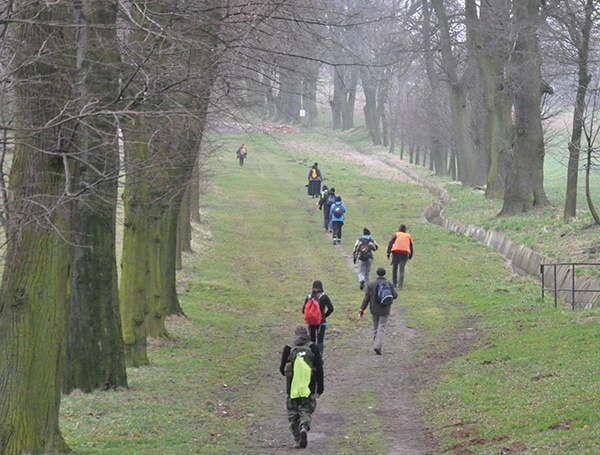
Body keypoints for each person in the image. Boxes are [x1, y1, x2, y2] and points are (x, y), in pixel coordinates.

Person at [279, 324, 324, 449]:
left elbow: (282, 369)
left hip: (292, 388)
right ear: (307, 334)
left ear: (295, 334)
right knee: (306, 410)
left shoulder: (288, 348)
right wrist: (320, 388)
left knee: (293, 413)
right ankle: (304, 426)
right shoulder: (313, 347)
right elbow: (319, 368)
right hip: (308, 387)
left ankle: (298, 439)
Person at [358, 267, 398, 355]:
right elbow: (395, 296)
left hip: (374, 309)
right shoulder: (389, 283)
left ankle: (376, 343)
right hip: (385, 309)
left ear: (377, 274)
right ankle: (378, 346)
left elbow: (366, 299)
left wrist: (362, 309)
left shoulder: (371, 284)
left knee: (376, 327)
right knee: (382, 327)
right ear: (384, 274)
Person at [302, 280, 334, 354]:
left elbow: (303, 310)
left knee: (312, 340)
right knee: (320, 341)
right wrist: (324, 316)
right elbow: (331, 309)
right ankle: (319, 357)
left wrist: (309, 317)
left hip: (311, 322)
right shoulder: (324, 297)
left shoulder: (309, 297)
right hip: (321, 322)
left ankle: (312, 356)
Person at [386, 224, 414, 289]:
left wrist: (388, 253)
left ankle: (394, 283)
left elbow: (390, 244)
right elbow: (411, 246)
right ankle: (400, 285)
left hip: (396, 252)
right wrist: (410, 255)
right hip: (404, 253)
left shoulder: (396, 234)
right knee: (402, 269)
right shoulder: (408, 236)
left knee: (394, 268)